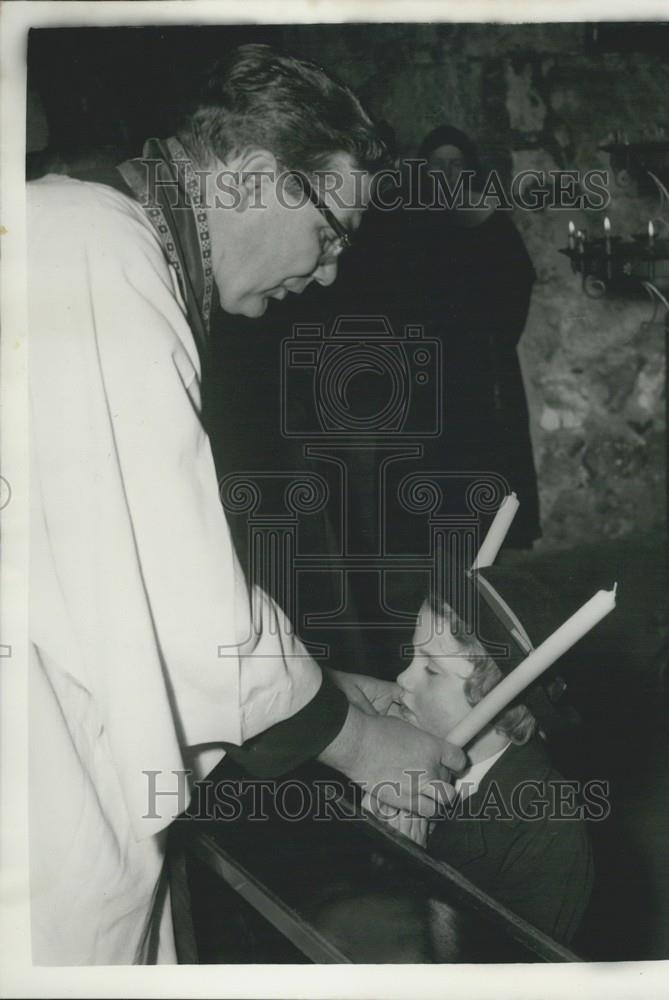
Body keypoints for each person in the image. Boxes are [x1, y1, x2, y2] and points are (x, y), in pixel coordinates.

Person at [27, 44, 466, 965]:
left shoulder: (84, 236)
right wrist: (356, 745)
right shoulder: (101, 247)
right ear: (256, 177)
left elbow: (123, 582)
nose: (332, 273)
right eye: (333, 230)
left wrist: (322, 685)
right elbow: (179, 602)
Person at [386, 566, 593, 944]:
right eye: (413, 656)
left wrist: (408, 872)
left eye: (431, 670)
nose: (403, 679)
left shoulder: (549, 832)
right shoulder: (398, 738)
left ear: (498, 703)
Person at [413, 125, 541, 549]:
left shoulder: (489, 219)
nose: (446, 173)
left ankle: (492, 553)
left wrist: (495, 335)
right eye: (437, 166)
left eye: (455, 164)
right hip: (431, 364)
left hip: (484, 364)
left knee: (490, 456)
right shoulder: (411, 221)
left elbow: (519, 279)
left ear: (467, 168)